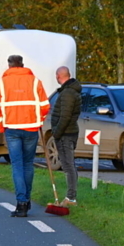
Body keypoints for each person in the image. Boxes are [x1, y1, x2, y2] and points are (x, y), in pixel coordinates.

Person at [0, 55, 49, 217]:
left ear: (9, 66)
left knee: (17, 165)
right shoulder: (35, 81)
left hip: (12, 129)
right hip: (31, 128)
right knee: (28, 164)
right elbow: (45, 106)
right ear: (22, 65)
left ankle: (21, 203)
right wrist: (39, 121)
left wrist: (2, 125)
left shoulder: (1, 83)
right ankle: (26, 201)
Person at [49, 66, 81, 205]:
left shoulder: (68, 93)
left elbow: (65, 116)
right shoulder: (70, 91)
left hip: (66, 134)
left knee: (68, 166)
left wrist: (56, 133)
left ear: (58, 76)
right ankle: (70, 197)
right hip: (68, 132)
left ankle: (71, 198)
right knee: (68, 165)